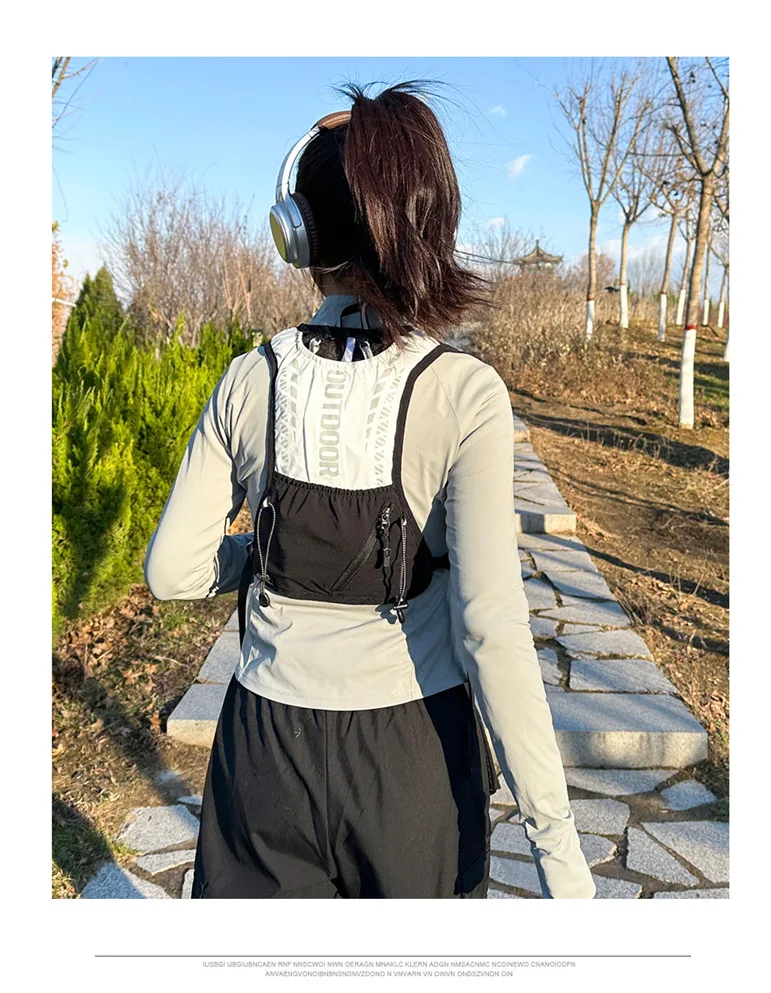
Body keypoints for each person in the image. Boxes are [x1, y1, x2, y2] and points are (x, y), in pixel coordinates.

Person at [144, 81, 596, 900]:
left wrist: (263, 552)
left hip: (263, 754)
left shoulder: (249, 377)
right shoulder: (465, 393)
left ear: (300, 233)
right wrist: (559, 853)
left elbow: (171, 570)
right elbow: (490, 627)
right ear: (431, 229)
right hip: (413, 757)